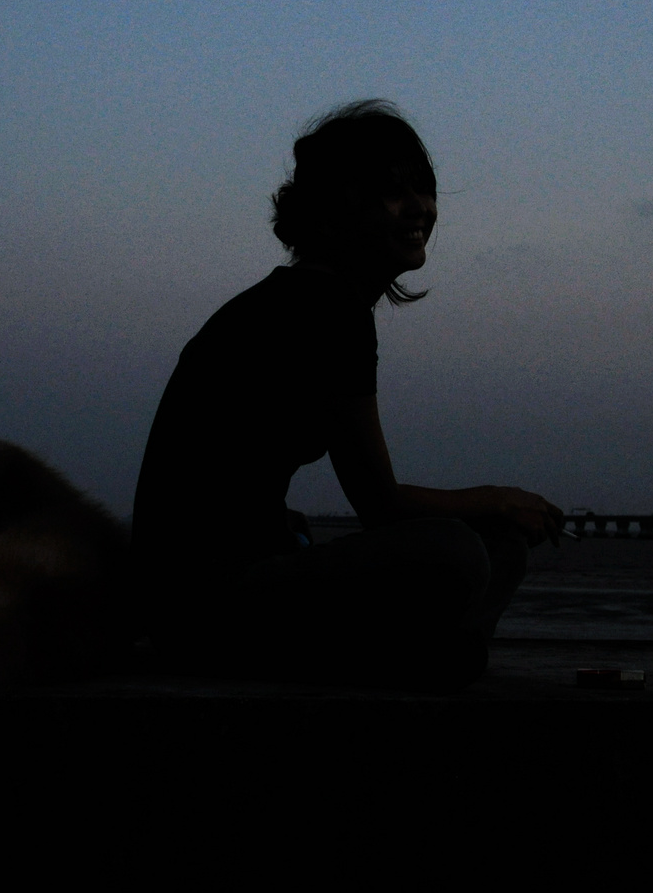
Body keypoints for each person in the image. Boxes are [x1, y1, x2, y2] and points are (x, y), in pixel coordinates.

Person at [131, 99, 563, 691]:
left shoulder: (310, 300)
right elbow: (380, 505)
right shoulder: (327, 311)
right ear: (342, 209)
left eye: (424, 189)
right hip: (206, 614)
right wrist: (494, 496)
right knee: (457, 550)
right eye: (393, 193)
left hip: (219, 594)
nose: (419, 209)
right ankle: (413, 660)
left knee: (499, 549)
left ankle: (418, 656)